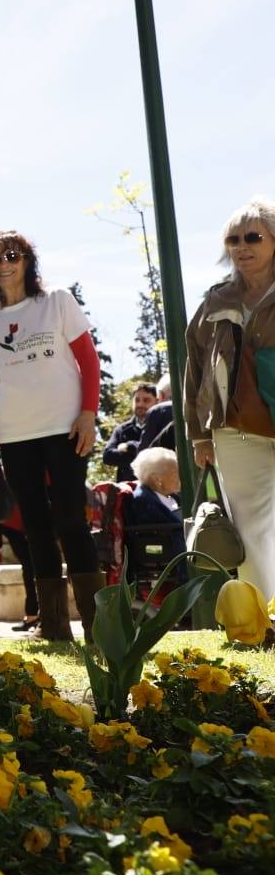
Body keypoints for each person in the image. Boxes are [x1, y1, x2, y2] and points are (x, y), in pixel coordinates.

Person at [0, 230, 103, 642]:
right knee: (35, 529)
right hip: (15, 435)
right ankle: (54, 625)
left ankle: (98, 625)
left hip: (64, 428)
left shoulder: (57, 302)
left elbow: (88, 359)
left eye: (11, 254)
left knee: (70, 521)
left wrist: (89, 414)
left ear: (27, 259)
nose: (3, 263)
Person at [183, 197, 275, 600]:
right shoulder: (215, 302)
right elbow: (195, 370)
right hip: (236, 429)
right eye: (233, 239)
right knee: (251, 527)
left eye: (253, 236)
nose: (242, 246)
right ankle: (264, 621)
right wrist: (198, 435)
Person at [129, 447, 187, 586]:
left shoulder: (169, 497)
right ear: (157, 479)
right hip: (169, 556)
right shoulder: (143, 500)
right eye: (174, 472)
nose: (180, 476)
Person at [101, 382, 159, 482]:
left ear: (157, 402)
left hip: (159, 488)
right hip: (129, 490)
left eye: (146, 400)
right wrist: (141, 453)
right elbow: (108, 456)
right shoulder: (122, 430)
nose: (140, 404)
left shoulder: (162, 427)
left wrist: (129, 446)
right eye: (137, 400)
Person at [138, 374, 174, 451]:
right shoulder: (196, 409)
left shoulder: (157, 411)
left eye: (157, 399)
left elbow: (144, 452)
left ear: (161, 395)